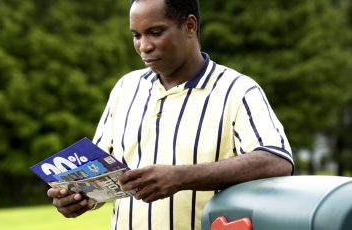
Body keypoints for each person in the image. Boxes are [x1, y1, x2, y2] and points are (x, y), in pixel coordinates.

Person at [47, 0, 294, 229]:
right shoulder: (126, 87)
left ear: (189, 26)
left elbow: (276, 160)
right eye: (136, 35)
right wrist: (78, 198)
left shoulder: (237, 90)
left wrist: (181, 177)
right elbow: (100, 172)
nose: (144, 46)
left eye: (155, 32)